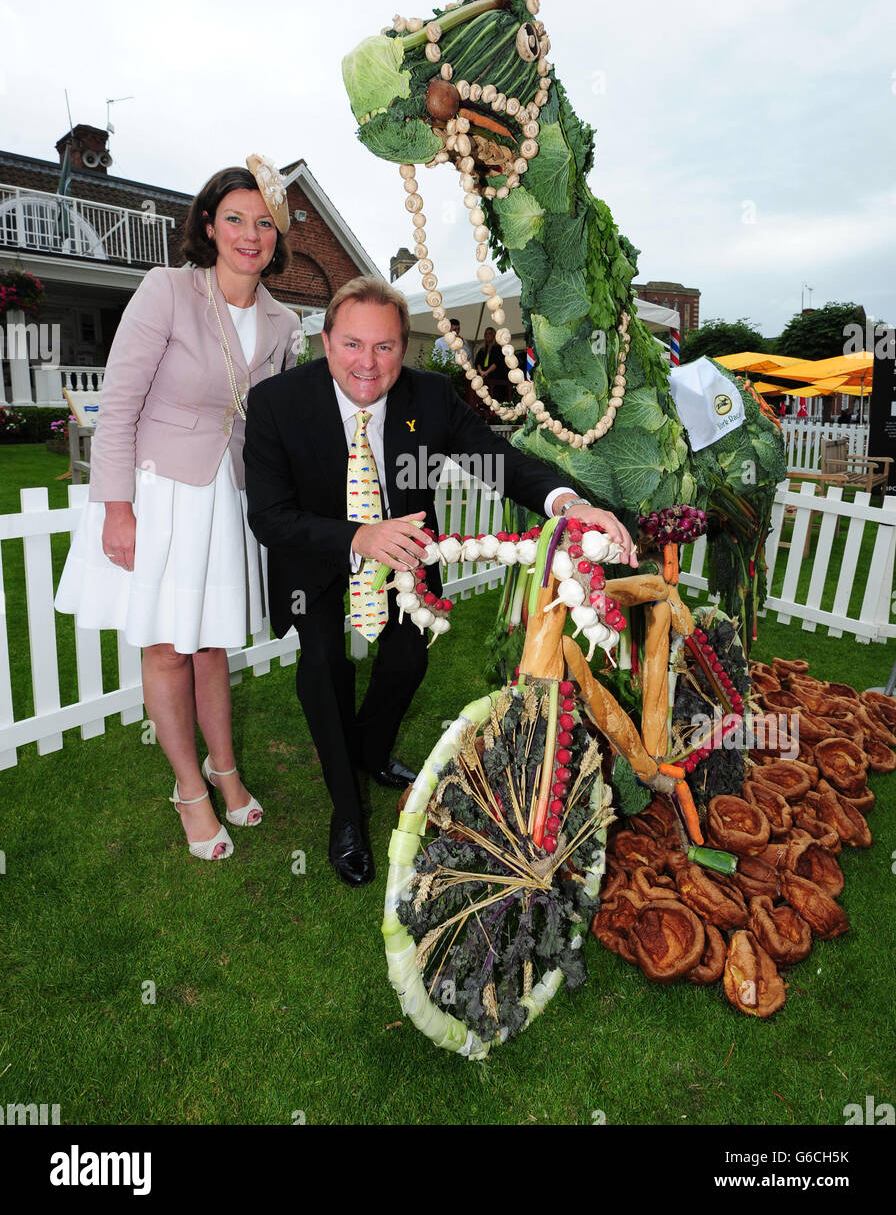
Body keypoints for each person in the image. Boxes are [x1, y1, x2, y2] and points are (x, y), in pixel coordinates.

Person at [243, 277, 637, 887]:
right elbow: (269, 516)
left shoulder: (430, 397)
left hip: (406, 561)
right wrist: (357, 536)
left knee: (405, 662)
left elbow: (495, 459)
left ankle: (369, 756)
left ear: (405, 348)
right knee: (323, 667)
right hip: (317, 558)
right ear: (325, 342)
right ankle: (346, 813)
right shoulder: (276, 402)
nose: (368, 364)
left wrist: (564, 501)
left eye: (385, 347)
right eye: (352, 345)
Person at [56, 159, 301, 861]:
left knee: (211, 645)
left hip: (224, 497)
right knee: (166, 648)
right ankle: (189, 788)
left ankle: (225, 769)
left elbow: (271, 425)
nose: (249, 234)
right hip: (157, 491)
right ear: (207, 224)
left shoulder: (283, 322)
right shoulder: (167, 290)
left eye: (262, 222)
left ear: (276, 234)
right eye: (234, 218)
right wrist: (116, 508)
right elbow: (120, 403)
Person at [474, 324, 510, 404]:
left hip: (496, 377)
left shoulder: (497, 348)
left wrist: (486, 372)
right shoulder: (482, 349)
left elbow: (497, 363)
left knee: (495, 398)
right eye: (486, 334)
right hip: (484, 376)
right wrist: (481, 372)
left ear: (494, 335)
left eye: (489, 333)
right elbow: (477, 362)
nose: (487, 335)